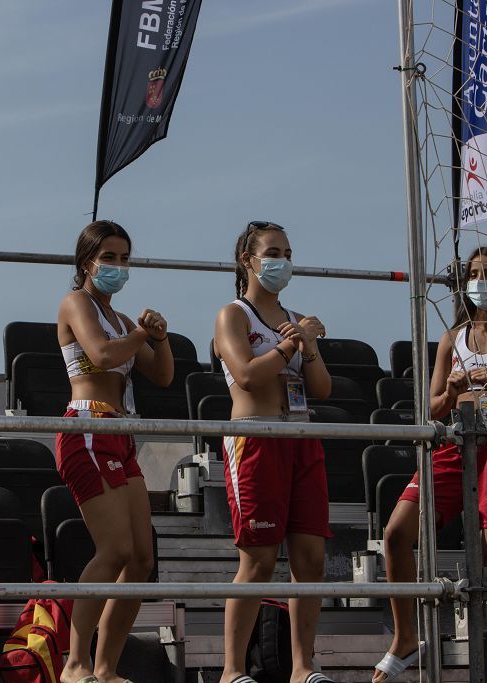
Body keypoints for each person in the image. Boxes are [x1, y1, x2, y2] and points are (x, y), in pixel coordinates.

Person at [373, 246, 487, 683]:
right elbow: (431, 409)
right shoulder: (451, 338)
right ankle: (404, 639)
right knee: (396, 533)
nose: (481, 281)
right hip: (455, 441)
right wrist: (454, 392)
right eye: (474, 273)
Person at [213, 221, 334, 683]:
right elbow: (246, 375)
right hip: (255, 438)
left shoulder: (295, 318)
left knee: (311, 561)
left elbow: (320, 387)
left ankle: (303, 667)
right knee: (259, 560)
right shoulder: (234, 314)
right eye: (272, 251)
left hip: (302, 439)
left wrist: (311, 345)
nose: (281, 259)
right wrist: (289, 344)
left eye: (287, 250)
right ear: (248, 259)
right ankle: (231, 670)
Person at [55, 220, 173, 683]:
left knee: (141, 560)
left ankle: (105, 667)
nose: (118, 267)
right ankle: (75, 662)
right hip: (86, 426)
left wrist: (158, 336)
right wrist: (144, 338)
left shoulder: (124, 321)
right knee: (115, 550)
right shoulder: (76, 302)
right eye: (109, 258)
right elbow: (102, 355)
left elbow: (161, 376)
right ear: (87, 263)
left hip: (120, 434)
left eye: (124, 259)